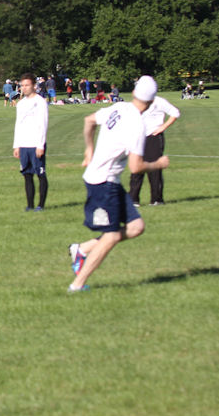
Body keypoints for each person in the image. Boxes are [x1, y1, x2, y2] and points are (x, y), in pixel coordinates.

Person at [67, 76, 170, 292]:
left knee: (136, 227)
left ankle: (82, 249)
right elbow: (136, 167)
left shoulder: (119, 107)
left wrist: (89, 149)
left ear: (133, 93)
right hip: (103, 183)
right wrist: (158, 163)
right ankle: (77, 285)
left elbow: (89, 121)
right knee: (112, 235)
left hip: (107, 180)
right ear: (152, 102)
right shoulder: (137, 125)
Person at [129, 92, 180, 207]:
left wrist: (162, 127)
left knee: (154, 169)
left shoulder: (159, 101)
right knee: (136, 168)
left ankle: (157, 199)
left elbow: (175, 113)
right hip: (138, 137)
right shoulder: (136, 102)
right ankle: (133, 199)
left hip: (154, 136)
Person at [13, 73, 49, 212]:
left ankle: (41, 205)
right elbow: (18, 124)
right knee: (27, 175)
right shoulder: (21, 104)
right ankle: (30, 205)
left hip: (36, 144)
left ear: (34, 86)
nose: (24, 88)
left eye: (27, 85)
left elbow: (43, 124)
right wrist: (16, 145)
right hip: (24, 144)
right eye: (22, 85)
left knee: (40, 174)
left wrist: (40, 145)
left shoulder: (40, 102)